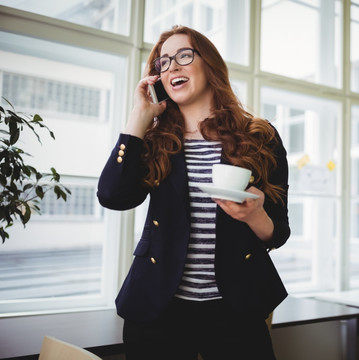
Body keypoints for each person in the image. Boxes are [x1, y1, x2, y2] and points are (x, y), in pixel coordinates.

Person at [97, 25, 290, 360]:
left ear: (210, 64)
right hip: (158, 310)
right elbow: (113, 197)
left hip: (236, 310)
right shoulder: (155, 141)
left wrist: (255, 215)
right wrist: (138, 119)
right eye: (163, 62)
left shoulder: (260, 137)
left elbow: (279, 232)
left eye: (183, 56)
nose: (172, 66)